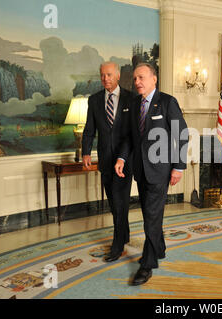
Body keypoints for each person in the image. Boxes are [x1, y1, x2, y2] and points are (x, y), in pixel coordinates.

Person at [115, 63, 188, 286]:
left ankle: (147, 265)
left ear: (154, 79)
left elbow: (182, 135)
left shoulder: (167, 102)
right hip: (140, 170)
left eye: (142, 77)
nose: (137, 82)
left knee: (152, 217)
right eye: (135, 78)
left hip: (161, 170)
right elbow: (130, 138)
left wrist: (179, 166)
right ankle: (161, 248)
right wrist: (122, 158)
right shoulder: (134, 103)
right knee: (151, 215)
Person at [82, 61, 135, 262]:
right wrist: (86, 152)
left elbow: (132, 133)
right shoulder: (94, 100)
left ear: (118, 76)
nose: (105, 79)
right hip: (105, 160)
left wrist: (126, 155)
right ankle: (125, 233)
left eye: (109, 75)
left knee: (120, 201)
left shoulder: (131, 99)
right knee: (114, 202)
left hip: (124, 161)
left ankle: (117, 244)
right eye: (102, 75)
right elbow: (89, 129)